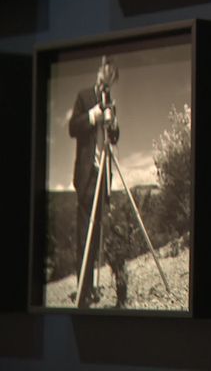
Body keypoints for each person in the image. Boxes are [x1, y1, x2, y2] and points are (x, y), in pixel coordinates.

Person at [68, 55, 119, 308]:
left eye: (111, 80)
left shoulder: (111, 103)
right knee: (84, 235)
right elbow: (72, 128)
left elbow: (116, 138)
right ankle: (84, 293)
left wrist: (114, 122)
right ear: (100, 73)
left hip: (103, 177)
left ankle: (92, 287)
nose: (106, 83)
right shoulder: (84, 96)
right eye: (105, 76)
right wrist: (93, 116)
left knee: (96, 233)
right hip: (87, 175)